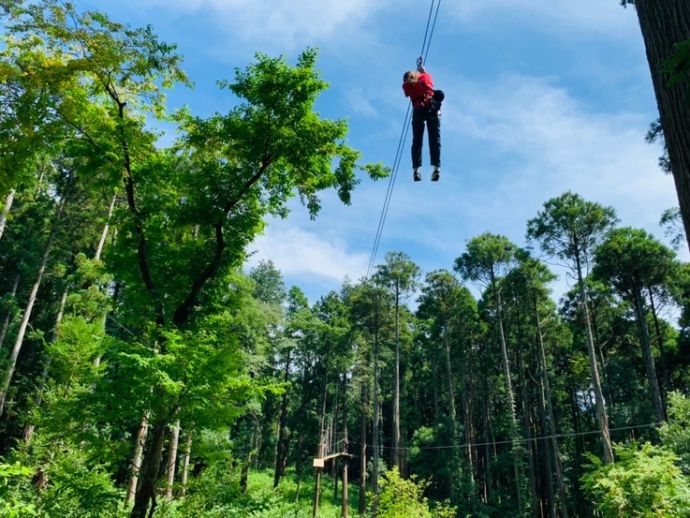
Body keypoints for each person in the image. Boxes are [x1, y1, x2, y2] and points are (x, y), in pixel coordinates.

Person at [402, 57, 444, 181]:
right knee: (435, 140)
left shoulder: (406, 86)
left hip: (418, 112)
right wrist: (422, 71)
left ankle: (416, 170)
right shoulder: (426, 78)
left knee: (417, 141)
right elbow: (428, 82)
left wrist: (418, 73)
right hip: (431, 110)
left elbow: (408, 88)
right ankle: (436, 168)